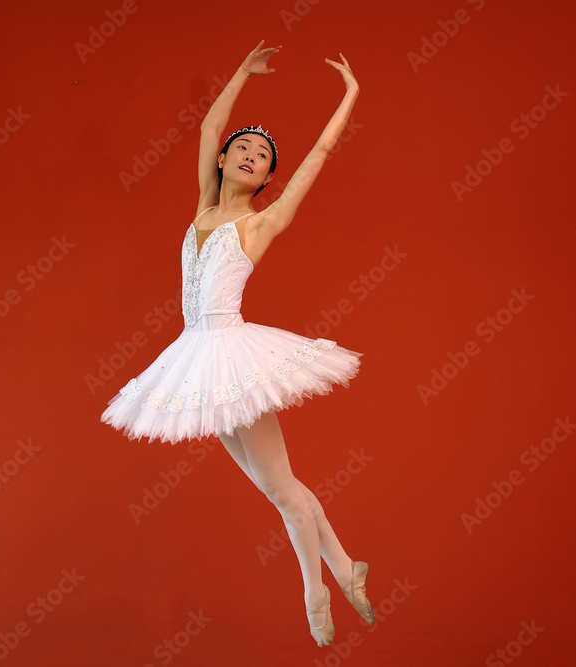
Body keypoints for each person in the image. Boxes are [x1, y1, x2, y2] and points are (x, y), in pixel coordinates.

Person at [101, 40, 373, 647]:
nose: (252, 155)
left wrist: (351, 95)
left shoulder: (259, 223)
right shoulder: (201, 209)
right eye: (244, 149)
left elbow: (319, 155)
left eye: (264, 157)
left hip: (231, 355)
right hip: (193, 358)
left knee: (281, 488)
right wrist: (240, 75)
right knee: (279, 489)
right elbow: (208, 126)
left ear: (269, 178)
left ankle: (315, 595)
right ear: (224, 161)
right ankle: (345, 567)